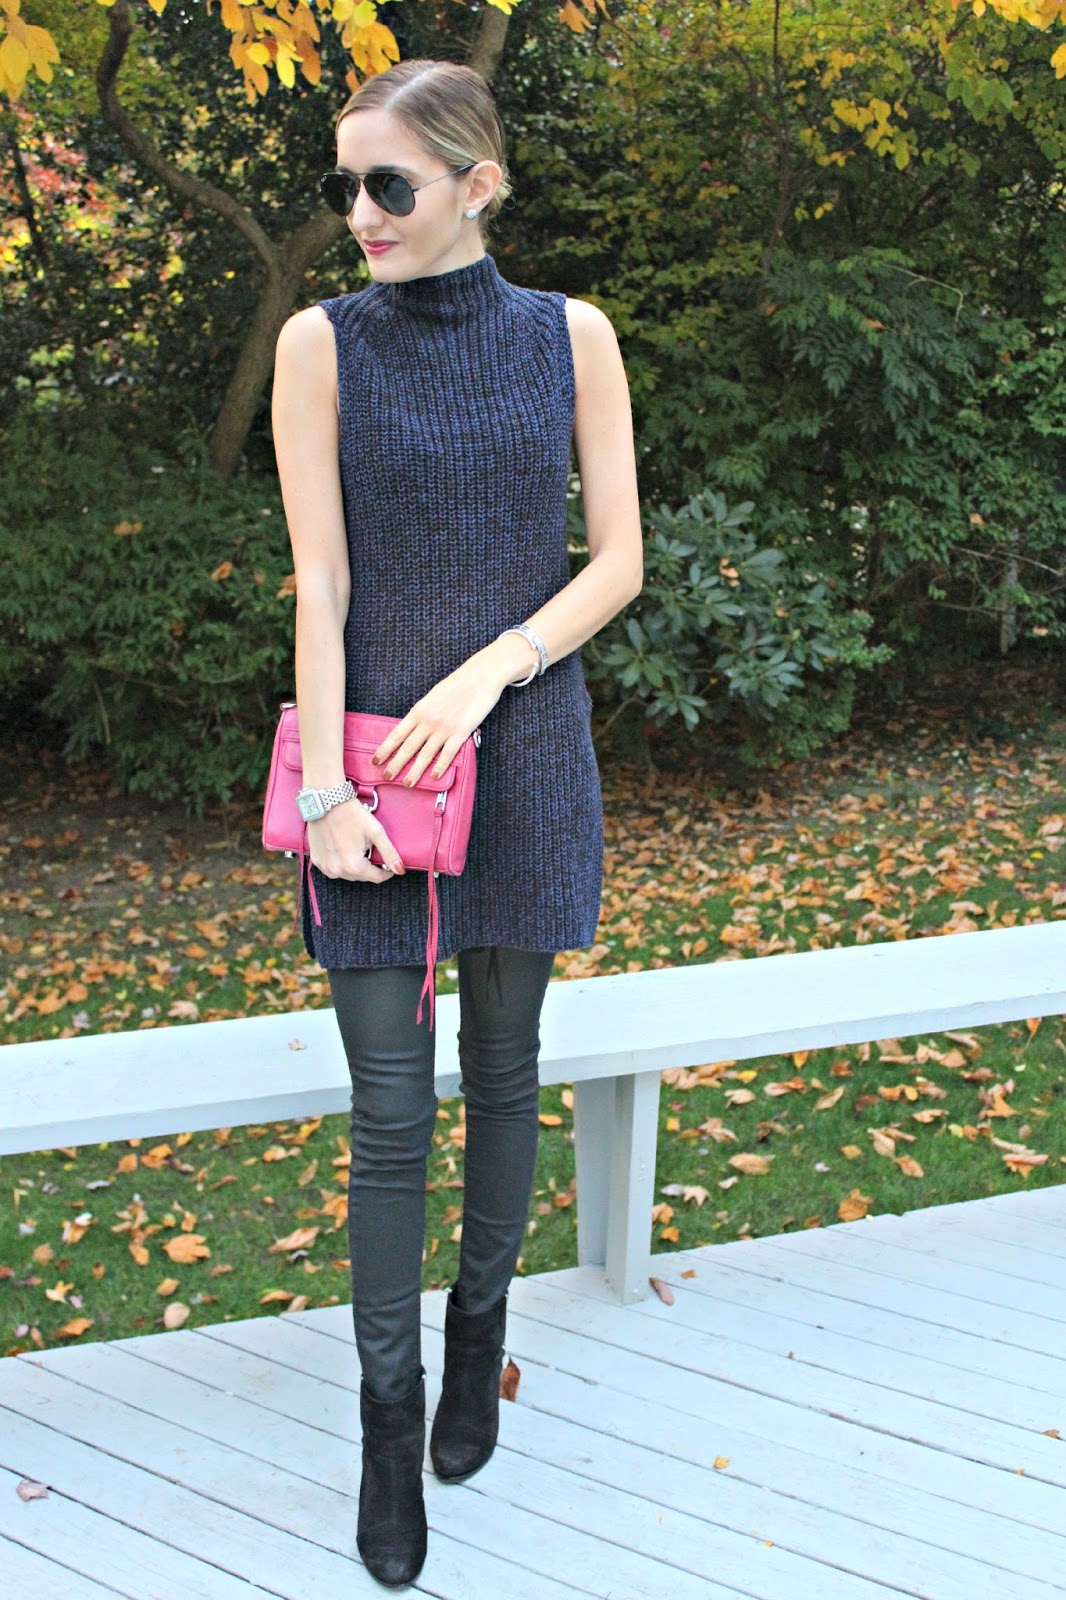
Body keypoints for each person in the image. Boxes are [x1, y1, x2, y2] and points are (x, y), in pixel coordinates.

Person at [270, 57, 642, 1589]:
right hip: (367, 773)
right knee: (385, 1113)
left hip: (525, 748)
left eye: (390, 185)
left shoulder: (571, 337)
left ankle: (477, 1336)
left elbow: (615, 561)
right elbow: (320, 582)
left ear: (477, 185)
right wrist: (323, 791)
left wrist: (494, 669)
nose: (359, 212)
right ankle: (385, 1423)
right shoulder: (319, 344)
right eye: (344, 184)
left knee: (503, 1075)